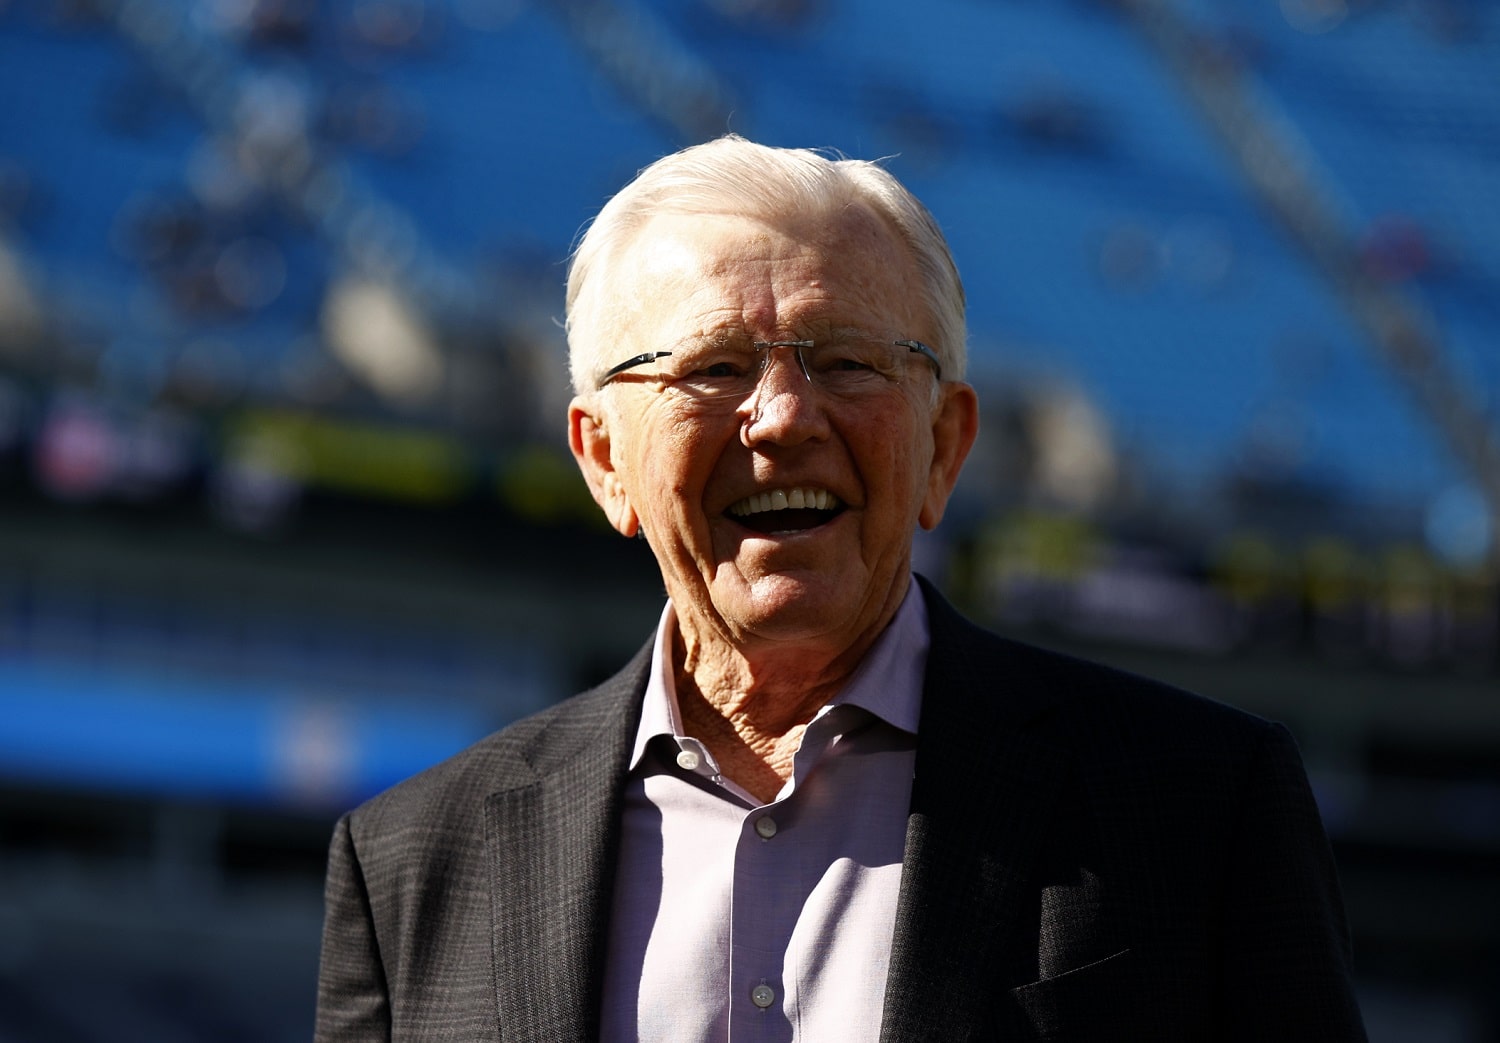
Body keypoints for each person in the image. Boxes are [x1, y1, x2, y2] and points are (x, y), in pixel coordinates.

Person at [314, 135, 1366, 1041]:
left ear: (946, 445)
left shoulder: (1200, 803)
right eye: (714, 367)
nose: (781, 417)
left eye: (849, 361)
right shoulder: (412, 861)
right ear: (602, 461)